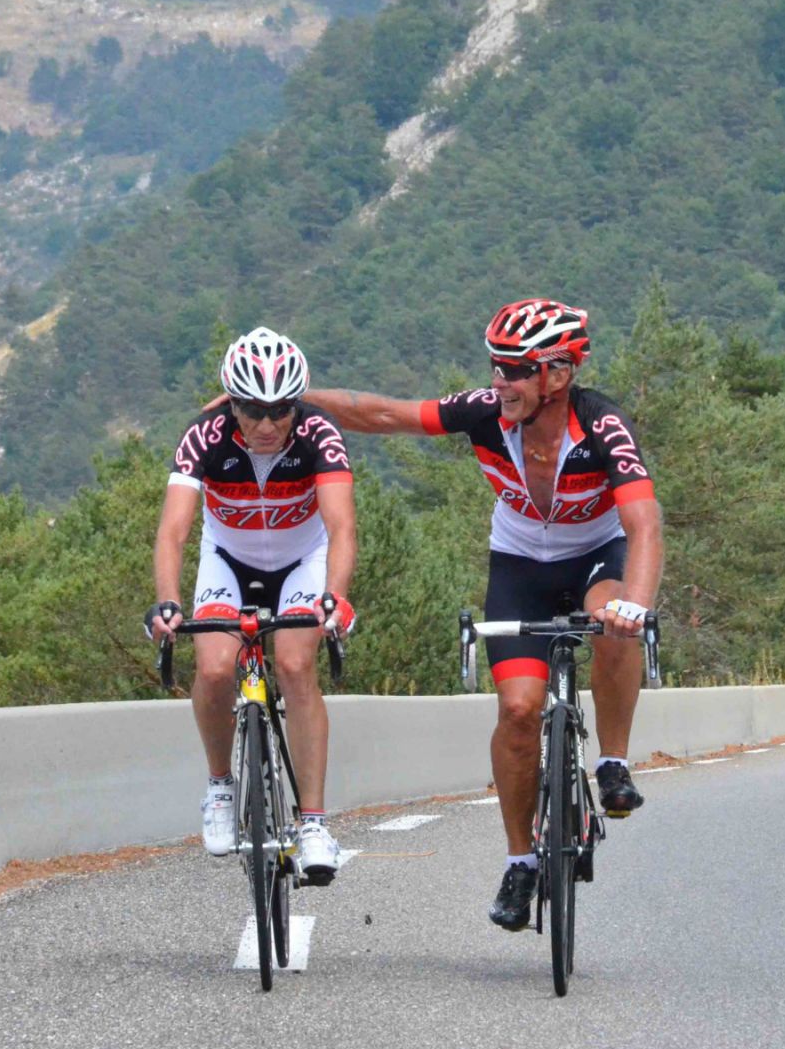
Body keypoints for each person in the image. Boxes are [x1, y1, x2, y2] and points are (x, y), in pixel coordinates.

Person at [303, 299, 664, 932]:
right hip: (519, 565)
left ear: (558, 374)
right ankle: (520, 862)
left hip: (596, 556)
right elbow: (384, 413)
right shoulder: (484, 413)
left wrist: (637, 603)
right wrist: (290, 399)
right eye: (496, 366)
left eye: (516, 370)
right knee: (519, 711)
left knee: (613, 619)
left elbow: (644, 524)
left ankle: (612, 760)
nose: (501, 381)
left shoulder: (603, 425)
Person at [145, 328, 358, 885]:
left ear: (296, 405)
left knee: (294, 663)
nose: (267, 424)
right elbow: (172, 532)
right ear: (231, 404)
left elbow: (341, 527)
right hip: (228, 559)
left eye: (280, 409)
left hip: (302, 559)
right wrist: (167, 601)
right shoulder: (205, 435)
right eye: (252, 410)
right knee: (216, 668)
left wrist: (335, 598)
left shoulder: (319, 433)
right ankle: (220, 786)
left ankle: (313, 823)